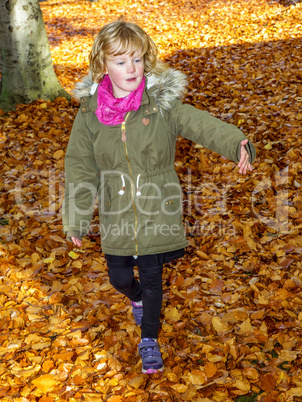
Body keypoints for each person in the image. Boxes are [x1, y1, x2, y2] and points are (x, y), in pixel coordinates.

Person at [62, 20, 256, 374]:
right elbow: (79, 166)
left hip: (156, 209)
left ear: (146, 60)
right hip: (116, 212)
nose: (131, 69)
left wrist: (235, 142)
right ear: (102, 65)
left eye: (136, 59)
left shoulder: (161, 105)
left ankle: (148, 339)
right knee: (119, 279)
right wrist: (76, 217)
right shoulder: (90, 114)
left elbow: (200, 124)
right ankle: (133, 298)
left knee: (153, 280)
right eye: (120, 62)